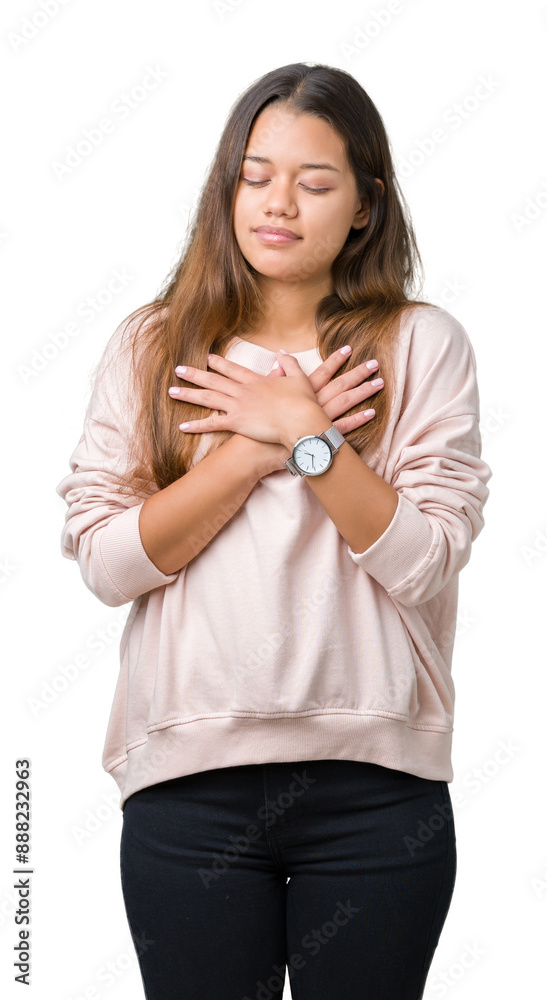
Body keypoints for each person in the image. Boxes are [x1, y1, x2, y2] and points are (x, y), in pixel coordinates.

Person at [55, 62, 493, 1000]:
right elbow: (107, 561)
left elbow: (422, 562)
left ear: (366, 204)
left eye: (315, 181)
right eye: (255, 175)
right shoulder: (152, 346)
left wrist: (307, 437)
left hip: (377, 791)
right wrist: (254, 450)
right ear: (227, 189)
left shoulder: (419, 343)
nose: (278, 203)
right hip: (187, 787)